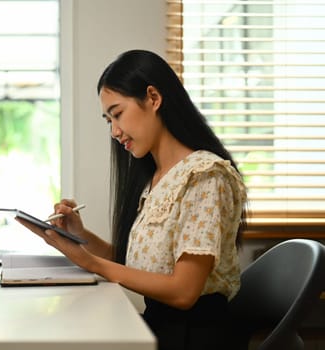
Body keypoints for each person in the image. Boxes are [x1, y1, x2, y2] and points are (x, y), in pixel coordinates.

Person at [16, 49, 247, 350]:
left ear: (153, 98)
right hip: (161, 327)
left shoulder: (204, 176)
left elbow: (183, 292)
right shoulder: (157, 178)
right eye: (108, 119)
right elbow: (138, 265)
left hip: (194, 336)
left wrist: (92, 263)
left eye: (118, 113)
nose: (114, 131)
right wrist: (80, 236)